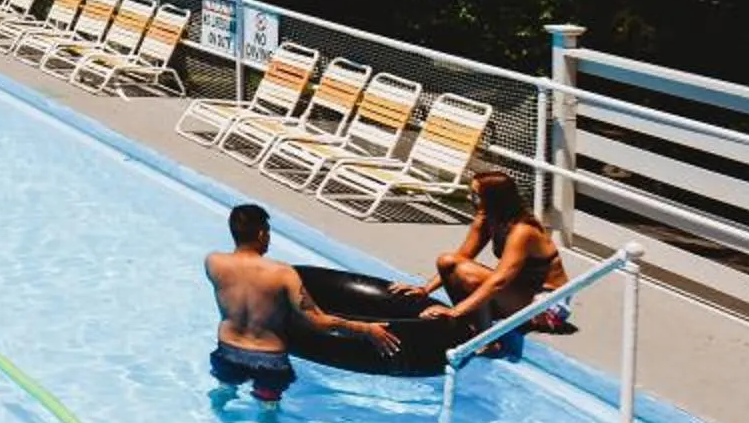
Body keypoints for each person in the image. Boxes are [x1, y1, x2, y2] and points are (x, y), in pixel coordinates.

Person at [205, 202, 399, 406]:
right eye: (269, 233)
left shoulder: (213, 262)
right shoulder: (282, 273)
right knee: (267, 409)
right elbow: (318, 321)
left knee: (224, 391)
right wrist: (367, 329)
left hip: (227, 350)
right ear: (262, 234)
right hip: (269, 359)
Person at [399, 171, 572, 350]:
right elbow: (460, 258)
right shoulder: (487, 219)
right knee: (447, 261)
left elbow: (500, 281)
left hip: (546, 306)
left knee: (468, 275)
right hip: (518, 293)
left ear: (493, 199)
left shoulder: (523, 230)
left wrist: (455, 311)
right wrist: (424, 290)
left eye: (475, 194)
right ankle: (470, 324)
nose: (469, 197)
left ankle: (488, 341)